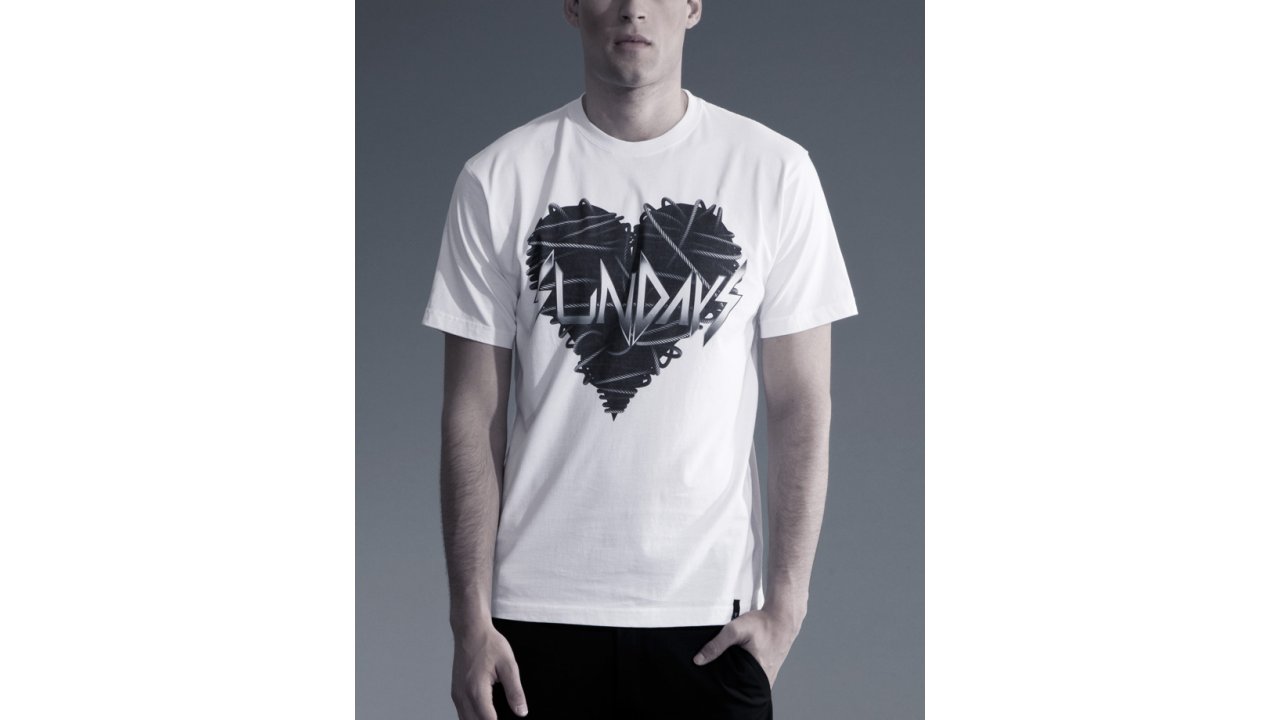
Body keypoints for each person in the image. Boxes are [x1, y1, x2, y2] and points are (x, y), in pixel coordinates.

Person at [421, 2, 858, 717]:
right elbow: (472, 414)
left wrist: (787, 606)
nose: (632, 7)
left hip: (710, 622)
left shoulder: (774, 172)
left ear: (693, 5)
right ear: (572, 5)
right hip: (533, 623)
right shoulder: (498, 179)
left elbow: (802, 403)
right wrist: (469, 620)